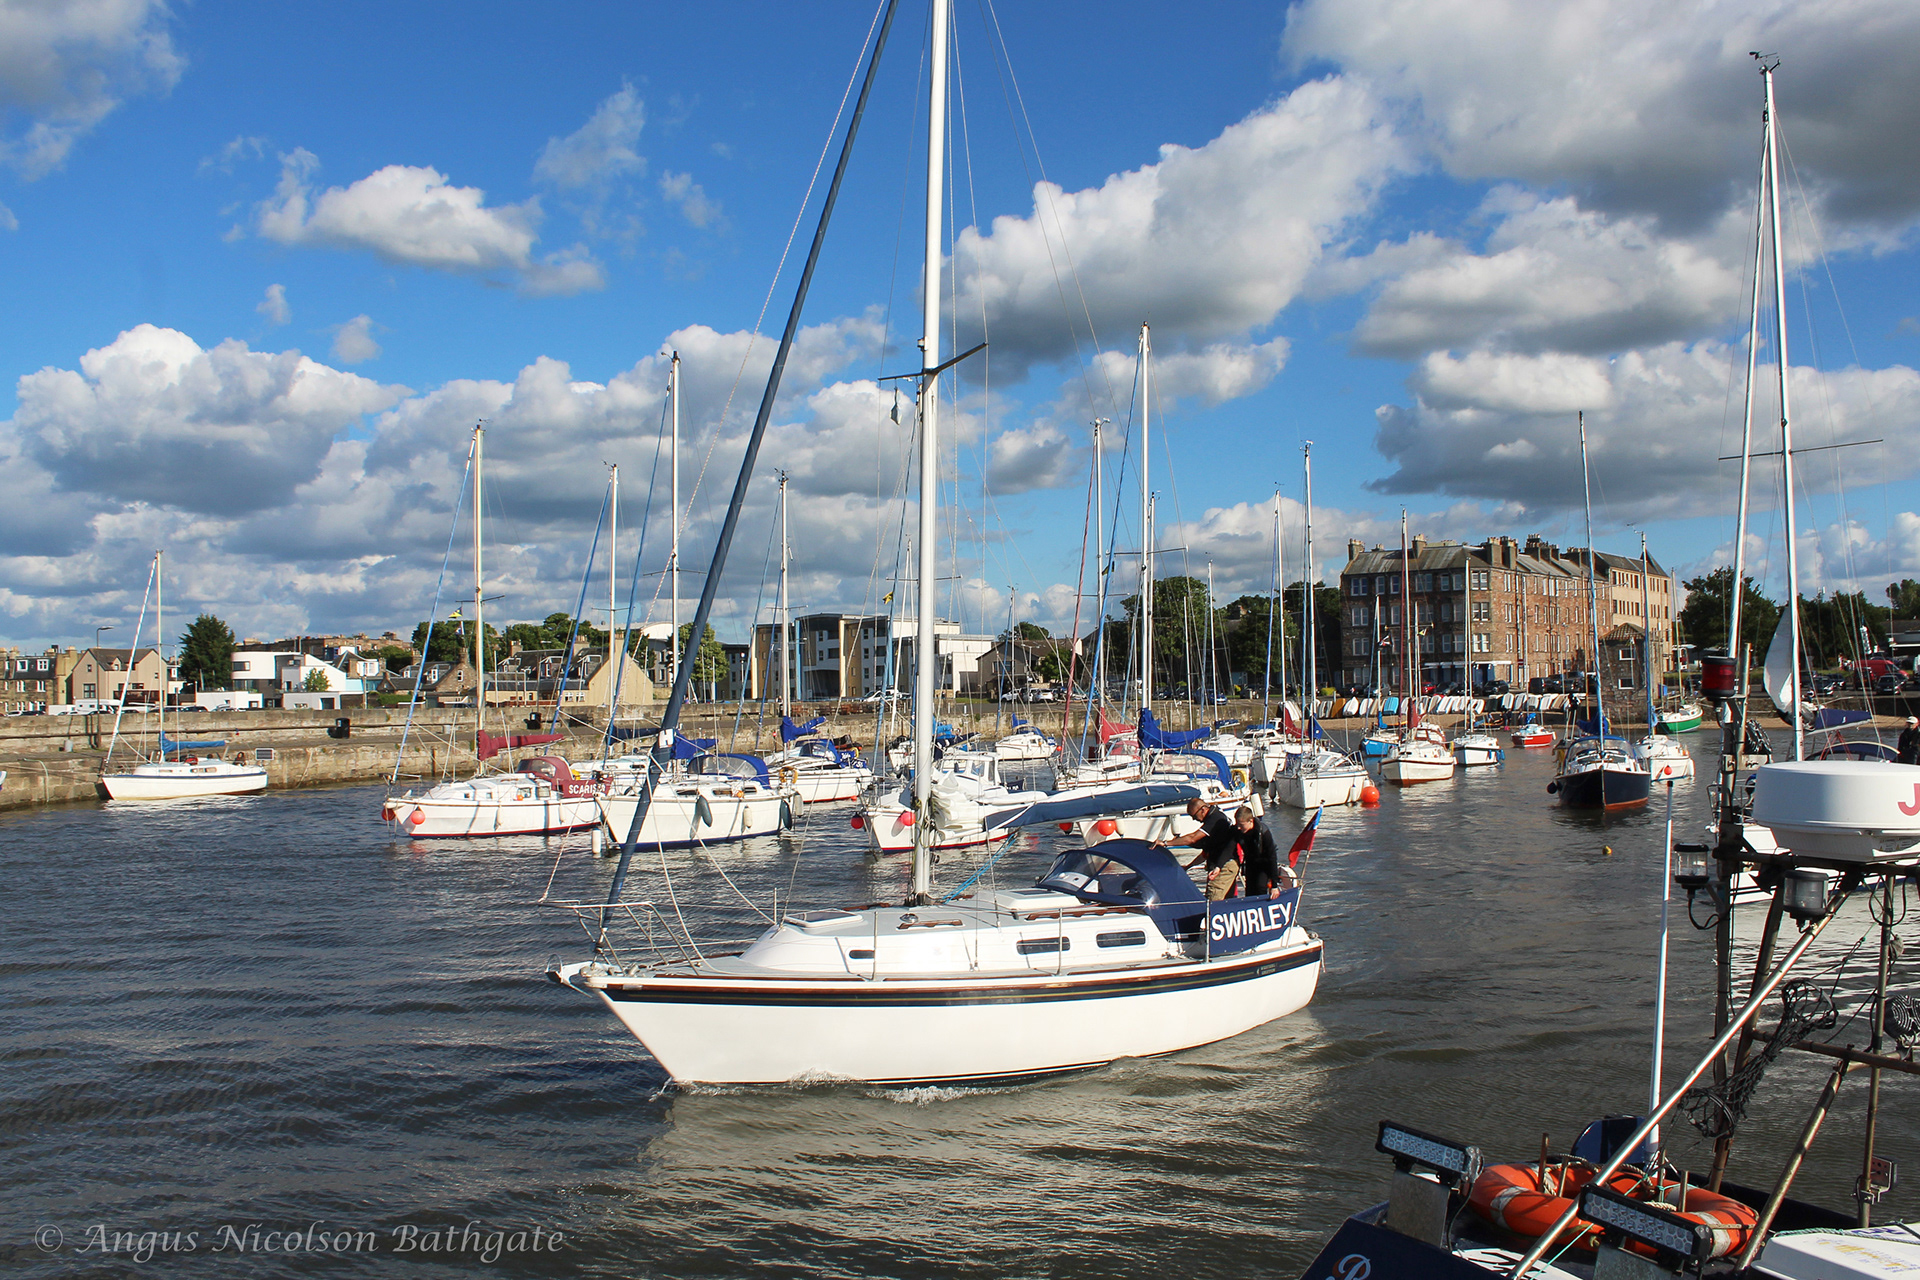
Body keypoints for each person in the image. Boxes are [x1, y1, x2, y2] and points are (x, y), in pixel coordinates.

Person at [1155, 798, 1239, 900]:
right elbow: (1205, 853)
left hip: (1224, 866)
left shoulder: (1215, 818)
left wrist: (1166, 843)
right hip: (1225, 864)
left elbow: (1193, 838)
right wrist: (1188, 866)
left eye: (1194, 816)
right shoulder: (1215, 818)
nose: (1194, 819)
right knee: (1226, 901)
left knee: (1213, 900)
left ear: (1203, 810)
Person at [1233, 807, 1291, 896]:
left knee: (1260, 887)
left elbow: (1272, 857)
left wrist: (1274, 885)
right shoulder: (1239, 831)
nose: (1238, 827)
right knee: (1250, 891)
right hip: (1250, 863)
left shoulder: (1263, 832)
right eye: (1237, 824)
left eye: (1241, 825)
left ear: (1250, 821)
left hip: (1264, 864)